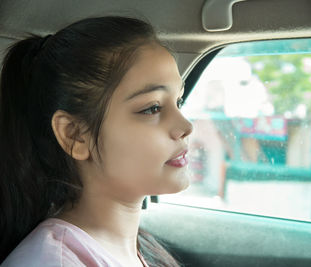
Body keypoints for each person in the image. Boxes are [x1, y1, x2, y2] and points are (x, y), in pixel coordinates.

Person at [0, 16, 193, 266]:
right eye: (152, 108)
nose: (186, 126)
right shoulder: (52, 261)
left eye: (178, 102)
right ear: (75, 135)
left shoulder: (134, 249)